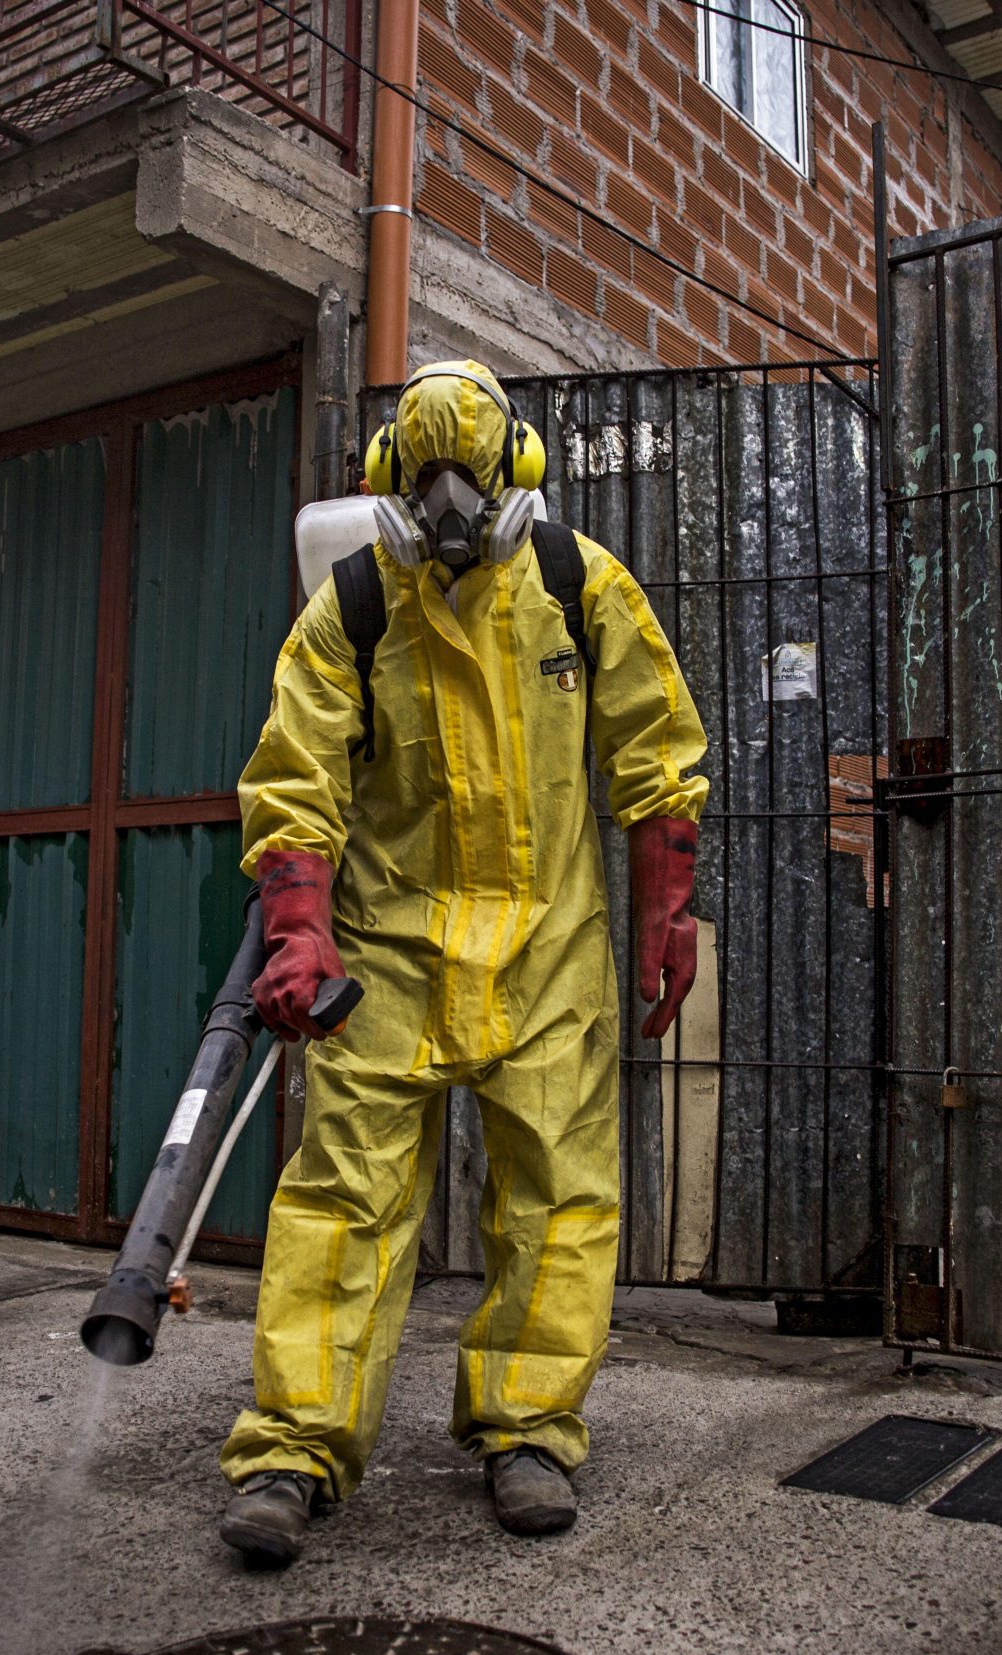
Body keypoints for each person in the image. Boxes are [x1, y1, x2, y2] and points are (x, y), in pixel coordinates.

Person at [216, 359, 708, 1566]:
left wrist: (665, 907)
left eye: (467, 475)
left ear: (515, 472)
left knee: (557, 1201)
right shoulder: (351, 605)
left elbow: (653, 745)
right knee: (343, 1199)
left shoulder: (574, 585)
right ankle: (294, 1444)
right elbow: (297, 776)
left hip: (544, 954)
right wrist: (298, 923)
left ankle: (527, 1429)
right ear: (390, 477)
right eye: (425, 475)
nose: (446, 502)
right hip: (387, 956)